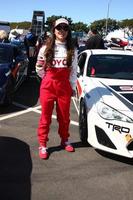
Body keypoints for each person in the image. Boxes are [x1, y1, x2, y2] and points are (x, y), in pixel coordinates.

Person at [35, 18, 78, 159]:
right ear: (54, 30)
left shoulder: (72, 49)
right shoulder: (45, 48)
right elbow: (39, 68)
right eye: (59, 27)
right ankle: (43, 144)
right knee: (45, 117)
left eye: (65, 28)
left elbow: (73, 70)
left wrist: (71, 86)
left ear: (68, 31)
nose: (62, 31)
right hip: (48, 86)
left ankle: (65, 139)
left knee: (64, 117)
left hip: (64, 86)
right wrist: (48, 80)